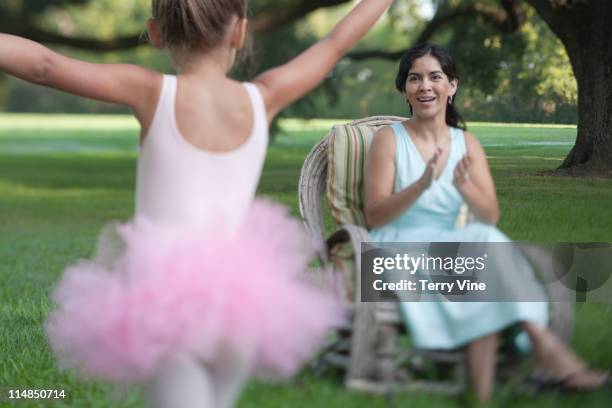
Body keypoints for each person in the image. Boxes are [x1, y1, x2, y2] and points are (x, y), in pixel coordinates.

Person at [0, 0, 394, 407]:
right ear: (240, 32)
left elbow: (44, 65)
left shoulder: (153, 92)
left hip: (163, 304)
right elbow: (335, 43)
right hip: (241, 302)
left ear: (155, 34)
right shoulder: (265, 98)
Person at [364, 42, 609, 402]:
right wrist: (420, 185)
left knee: (482, 240)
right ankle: (546, 350)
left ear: (452, 86)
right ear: (404, 90)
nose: (425, 86)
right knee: (483, 264)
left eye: (435, 77)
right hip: (395, 249)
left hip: (454, 247)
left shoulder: (468, 144)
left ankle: (481, 397)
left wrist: (463, 185)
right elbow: (374, 215)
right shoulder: (388, 140)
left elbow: (490, 215)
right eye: (414, 79)